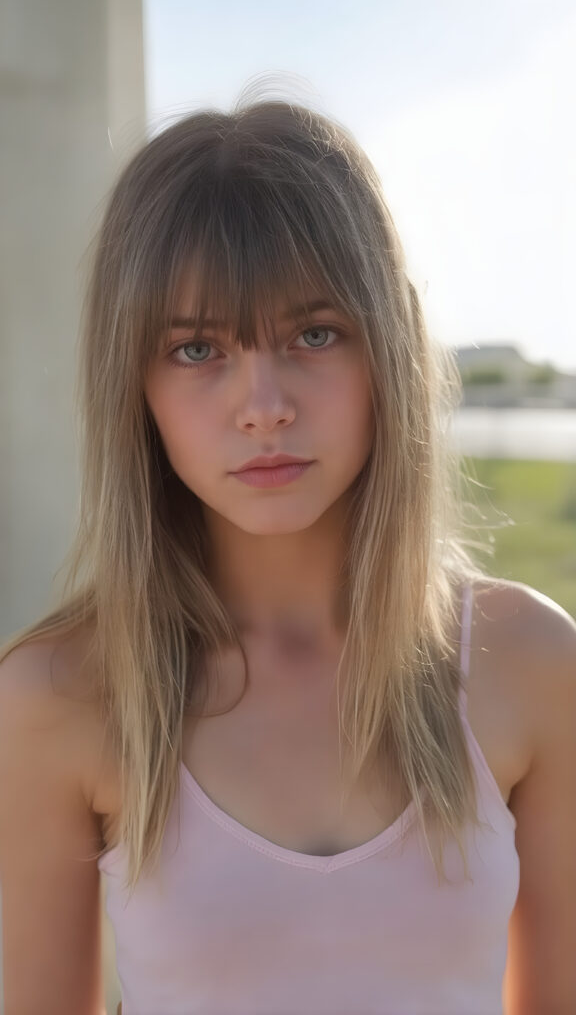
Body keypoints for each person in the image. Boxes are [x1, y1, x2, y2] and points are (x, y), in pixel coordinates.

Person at [0, 96, 575, 1015]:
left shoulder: (531, 661)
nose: (263, 404)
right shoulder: (62, 692)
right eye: (197, 348)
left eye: (313, 333)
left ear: (386, 347)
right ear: (134, 387)